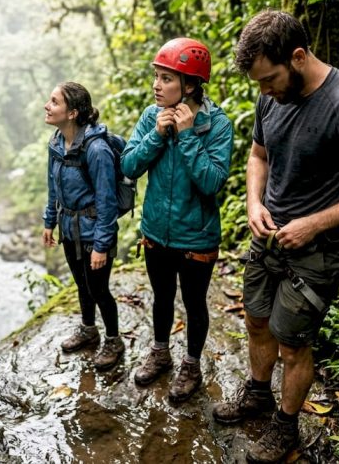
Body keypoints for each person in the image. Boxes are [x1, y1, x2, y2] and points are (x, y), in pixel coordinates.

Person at [211, 10, 339, 463]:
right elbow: (258, 156)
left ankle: (286, 426)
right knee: (256, 320)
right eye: (258, 82)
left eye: (270, 78)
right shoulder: (270, 98)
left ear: (298, 57)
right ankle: (257, 394)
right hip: (268, 237)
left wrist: (315, 222)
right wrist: (253, 203)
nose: (264, 91)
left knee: (293, 342)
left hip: (317, 250)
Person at [121, 38, 234, 402]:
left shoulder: (216, 125)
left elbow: (212, 182)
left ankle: (191, 364)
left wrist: (186, 136)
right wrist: (157, 135)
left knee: (195, 301)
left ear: (189, 85)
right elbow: (128, 166)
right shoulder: (150, 117)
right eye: (156, 76)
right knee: (162, 297)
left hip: (196, 236)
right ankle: (159, 351)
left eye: (166, 79)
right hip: (156, 230)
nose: (156, 85)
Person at [42, 82, 125, 370]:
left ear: (73, 112)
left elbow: (107, 201)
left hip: (94, 232)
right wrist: (49, 221)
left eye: (54, 102)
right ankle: (89, 330)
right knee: (81, 284)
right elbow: (53, 186)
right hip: (69, 228)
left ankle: (114, 340)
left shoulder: (97, 149)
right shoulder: (55, 143)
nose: (47, 106)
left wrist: (102, 245)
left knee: (99, 288)